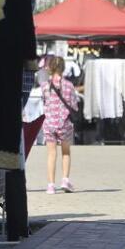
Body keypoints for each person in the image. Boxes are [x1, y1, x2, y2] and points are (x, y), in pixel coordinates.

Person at [41, 55, 78, 194]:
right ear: (63, 68)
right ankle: (65, 180)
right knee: (66, 152)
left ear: (50, 68)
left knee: (51, 154)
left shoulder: (45, 85)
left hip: (49, 123)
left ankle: (50, 185)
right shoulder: (69, 85)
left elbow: (44, 101)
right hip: (64, 123)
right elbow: (74, 105)